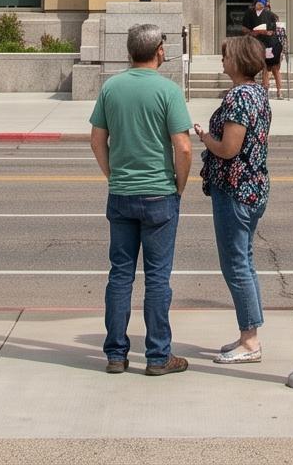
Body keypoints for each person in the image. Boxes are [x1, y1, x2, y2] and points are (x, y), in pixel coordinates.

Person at [88, 21, 190, 375]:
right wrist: (179, 186)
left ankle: (116, 354)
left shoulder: (111, 88)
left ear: (129, 52)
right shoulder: (169, 91)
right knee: (158, 279)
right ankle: (158, 356)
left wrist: (112, 175)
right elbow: (184, 147)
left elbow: (97, 139)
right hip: (160, 193)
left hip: (122, 193)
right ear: (159, 51)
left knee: (120, 275)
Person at [197, 33, 272, 365]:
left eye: (225, 56)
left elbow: (229, 148)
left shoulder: (239, 97)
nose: (222, 61)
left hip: (236, 189)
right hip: (253, 187)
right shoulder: (258, 93)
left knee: (236, 264)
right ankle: (249, 333)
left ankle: (250, 339)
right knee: (245, 260)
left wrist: (204, 137)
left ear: (238, 61)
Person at [247, 0, 285, 98]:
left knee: (273, 69)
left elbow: (280, 33)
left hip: (273, 46)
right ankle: (274, 91)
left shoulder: (271, 17)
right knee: (269, 69)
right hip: (266, 46)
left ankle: (276, 91)